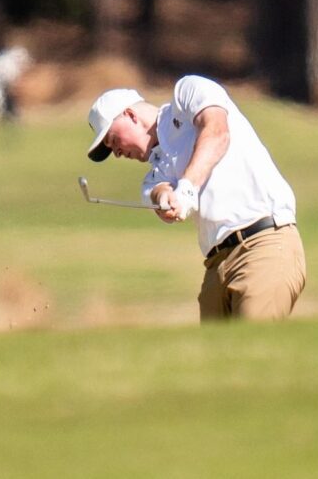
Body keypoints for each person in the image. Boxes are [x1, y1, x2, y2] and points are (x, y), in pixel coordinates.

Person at [84, 76, 306, 321]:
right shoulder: (154, 176)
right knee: (211, 359)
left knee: (255, 351)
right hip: (216, 266)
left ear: (130, 115)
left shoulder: (187, 93)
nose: (116, 152)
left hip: (263, 244)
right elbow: (157, 191)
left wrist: (187, 188)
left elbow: (217, 132)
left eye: (113, 140)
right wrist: (166, 196)